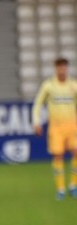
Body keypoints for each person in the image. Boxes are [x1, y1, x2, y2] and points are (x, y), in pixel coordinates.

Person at [31, 57, 77, 200]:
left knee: (76, 152)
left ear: (67, 69)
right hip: (56, 126)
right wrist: (36, 122)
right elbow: (38, 104)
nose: (62, 70)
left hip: (72, 125)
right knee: (58, 155)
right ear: (55, 69)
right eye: (59, 67)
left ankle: (73, 186)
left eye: (64, 67)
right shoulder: (49, 86)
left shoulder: (73, 85)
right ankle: (60, 189)